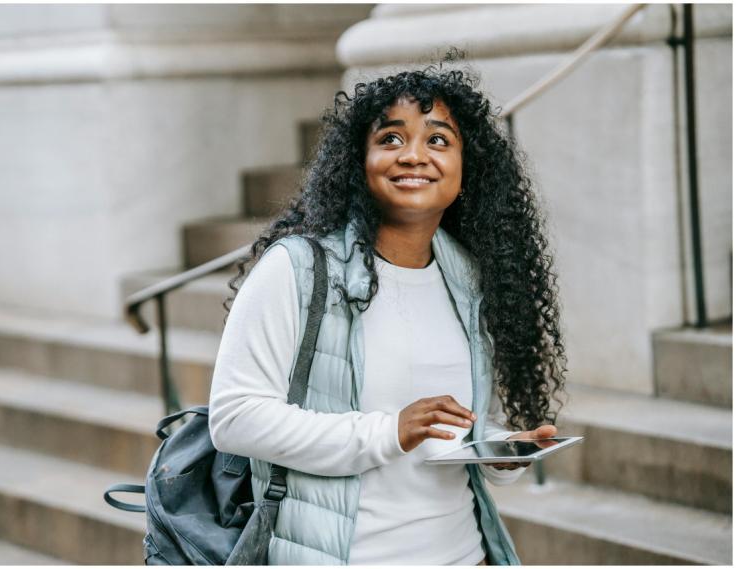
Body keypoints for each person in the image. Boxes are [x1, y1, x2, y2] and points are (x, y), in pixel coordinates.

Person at [208, 52, 567, 566]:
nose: (414, 155)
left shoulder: (467, 278)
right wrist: (388, 431)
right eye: (391, 138)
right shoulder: (297, 270)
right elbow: (235, 419)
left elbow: (441, 425)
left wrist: (500, 447)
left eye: (438, 139)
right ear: (360, 164)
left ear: (465, 174)